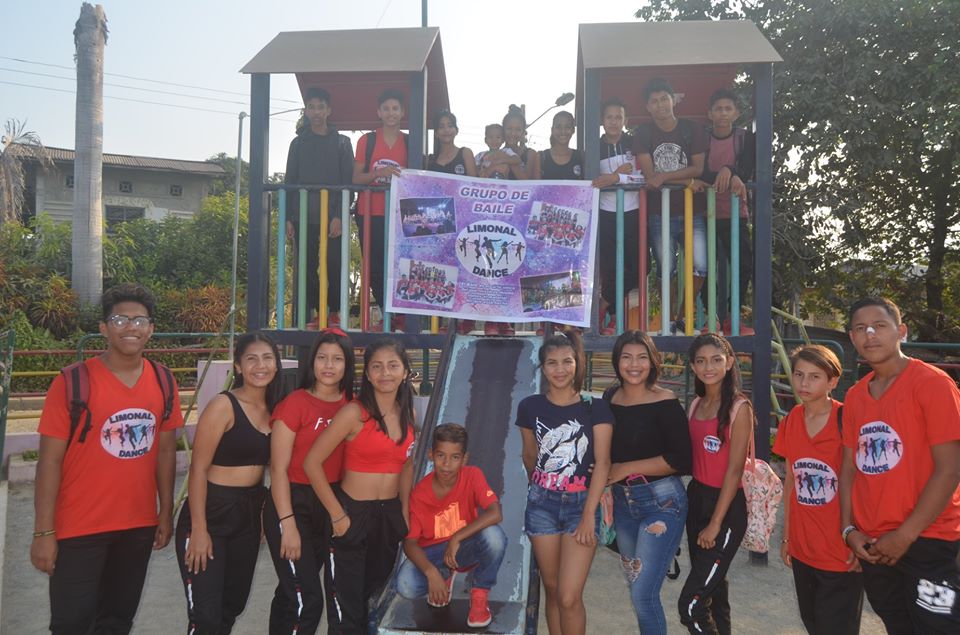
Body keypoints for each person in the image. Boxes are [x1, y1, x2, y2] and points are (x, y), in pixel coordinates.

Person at [32, 283, 183, 635]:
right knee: (71, 622)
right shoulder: (72, 382)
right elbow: (49, 462)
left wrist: (165, 512)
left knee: (116, 620)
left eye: (140, 321)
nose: (131, 328)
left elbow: (165, 451)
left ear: (151, 329)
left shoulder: (163, 381)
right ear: (103, 328)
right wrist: (43, 532)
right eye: (120, 320)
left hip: (137, 526)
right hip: (78, 527)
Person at [839, 297, 960, 633]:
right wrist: (849, 531)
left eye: (879, 325)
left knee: (938, 627)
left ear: (901, 331)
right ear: (852, 337)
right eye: (861, 328)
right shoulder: (856, 396)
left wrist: (906, 535)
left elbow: (950, 469)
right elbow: (849, 468)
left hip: (928, 538)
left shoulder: (933, 384)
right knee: (897, 624)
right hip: (874, 544)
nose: (870, 334)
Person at [303, 337, 417, 634]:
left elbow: (407, 465)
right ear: (367, 373)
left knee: (375, 604)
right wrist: (337, 515)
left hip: (388, 517)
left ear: (405, 371)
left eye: (393, 366)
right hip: (352, 515)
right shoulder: (354, 413)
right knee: (346, 612)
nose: (385, 373)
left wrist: (404, 510)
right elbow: (312, 463)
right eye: (376, 367)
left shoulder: (408, 413)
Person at [176, 332, 282, 634]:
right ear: (238, 366)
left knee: (230, 607)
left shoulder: (275, 408)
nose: (260, 366)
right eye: (251, 359)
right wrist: (199, 529)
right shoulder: (223, 405)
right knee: (205, 616)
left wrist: (262, 515)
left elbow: (275, 470)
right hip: (211, 510)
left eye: (267, 358)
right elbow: (198, 470)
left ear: (276, 365)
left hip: (248, 512)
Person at [516, 330, 612, 635]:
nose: (560, 369)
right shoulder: (529, 406)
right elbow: (529, 455)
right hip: (541, 504)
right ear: (543, 368)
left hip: (581, 505)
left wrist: (588, 516)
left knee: (569, 596)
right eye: (552, 363)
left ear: (577, 363)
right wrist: (544, 486)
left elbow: (603, 463)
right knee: (553, 587)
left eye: (567, 361)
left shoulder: (595, 407)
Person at [263, 328, 355, 635]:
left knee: (292, 591)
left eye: (337, 359)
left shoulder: (353, 405)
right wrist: (287, 524)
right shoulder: (295, 403)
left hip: (329, 503)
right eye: (322, 357)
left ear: (347, 365)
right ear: (311, 361)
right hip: (291, 502)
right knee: (308, 601)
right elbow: (278, 469)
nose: (328, 365)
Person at [604, 331, 691, 634]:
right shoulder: (610, 397)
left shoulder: (665, 401)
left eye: (642, 357)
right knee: (636, 586)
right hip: (623, 504)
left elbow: (682, 460)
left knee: (643, 594)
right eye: (626, 357)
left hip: (662, 502)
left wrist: (625, 468)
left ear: (653, 361)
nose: (634, 364)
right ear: (617, 361)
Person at [774, 344, 863, 635]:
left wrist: (858, 536)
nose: (804, 383)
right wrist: (787, 536)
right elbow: (791, 480)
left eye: (815, 376)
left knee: (836, 627)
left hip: (840, 548)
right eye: (799, 374)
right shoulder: (791, 420)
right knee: (812, 622)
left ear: (832, 381)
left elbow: (863, 483)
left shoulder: (846, 419)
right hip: (803, 546)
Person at [397, 423, 507, 628]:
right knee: (406, 585)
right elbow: (410, 543)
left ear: (464, 459)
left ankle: (480, 593)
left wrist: (457, 537)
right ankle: (444, 574)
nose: (447, 464)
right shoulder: (420, 494)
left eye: (455, 457)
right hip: (434, 553)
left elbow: (495, 513)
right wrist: (431, 573)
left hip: (463, 547)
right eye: (441, 456)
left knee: (494, 537)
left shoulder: (472, 475)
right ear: (431, 455)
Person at [678, 333, 752, 634]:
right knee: (714, 592)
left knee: (691, 605)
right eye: (701, 361)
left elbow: (734, 471)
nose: (708, 367)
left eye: (716, 360)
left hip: (726, 507)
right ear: (693, 366)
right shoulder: (696, 404)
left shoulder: (739, 407)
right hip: (696, 498)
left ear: (729, 362)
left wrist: (716, 524)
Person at [635, 78, 709, 333]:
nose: (660, 105)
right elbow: (650, 176)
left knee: (701, 265)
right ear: (648, 107)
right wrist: (687, 180)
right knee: (666, 268)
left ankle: (684, 316)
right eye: (654, 101)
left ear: (673, 100)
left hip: (693, 210)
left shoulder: (692, 130)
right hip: (659, 212)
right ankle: (667, 319)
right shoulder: (643, 133)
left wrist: (666, 176)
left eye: (664, 99)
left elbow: (698, 168)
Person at [284, 87, 355, 329]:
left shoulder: (342, 143)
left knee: (334, 263)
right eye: (311, 107)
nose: (316, 112)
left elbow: (348, 184)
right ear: (306, 111)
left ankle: (334, 312)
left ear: (328, 110)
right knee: (306, 266)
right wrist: (289, 217)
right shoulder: (298, 144)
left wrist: (339, 216)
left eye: (320, 107)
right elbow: (290, 181)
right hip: (304, 215)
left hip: (333, 215)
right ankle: (316, 312)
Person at [696, 88, 755, 334]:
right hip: (705, 213)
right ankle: (711, 317)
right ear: (710, 114)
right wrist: (726, 172)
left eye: (728, 109)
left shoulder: (745, 139)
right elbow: (699, 171)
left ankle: (733, 315)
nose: (723, 113)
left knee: (743, 264)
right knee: (705, 267)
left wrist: (731, 170)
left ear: (736, 113)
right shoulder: (703, 139)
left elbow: (748, 169)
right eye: (718, 109)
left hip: (734, 213)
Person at [353, 89, 409, 332]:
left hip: (400, 215)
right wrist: (379, 173)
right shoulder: (367, 141)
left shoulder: (410, 141)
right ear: (379, 112)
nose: (391, 113)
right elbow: (356, 178)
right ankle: (387, 313)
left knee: (400, 265)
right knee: (374, 267)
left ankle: (402, 315)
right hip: (369, 213)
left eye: (395, 108)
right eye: (386, 108)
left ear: (402, 112)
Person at [590, 98, 643, 335]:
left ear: (625, 120)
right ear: (602, 121)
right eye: (609, 117)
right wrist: (616, 175)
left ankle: (603, 305)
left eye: (618, 117)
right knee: (610, 269)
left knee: (639, 267)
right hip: (605, 213)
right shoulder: (594, 147)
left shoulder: (635, 144)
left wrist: (614, 178)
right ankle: (611, 319)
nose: (613, 121)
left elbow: (643, 176)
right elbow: (594, 181)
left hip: (633, 212)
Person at [426, 110, 477, 335]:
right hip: (439, 225)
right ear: (436, 132)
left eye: (450, 125)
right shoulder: (430, 160)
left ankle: (466, 318)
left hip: (464, 221)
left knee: (465, 270)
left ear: (456, 130)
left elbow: (475, 186)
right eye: (442, 126)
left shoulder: (465, 153)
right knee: (443, 271)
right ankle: (445, 318)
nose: (446, 130)